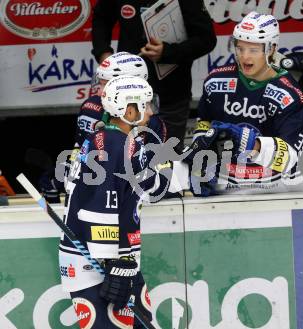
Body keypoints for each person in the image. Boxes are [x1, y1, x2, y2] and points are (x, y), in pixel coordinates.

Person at [59, 75, 185, 328]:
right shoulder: (109, 145)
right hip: (93, 261)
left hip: (120, 259)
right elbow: (99, 204)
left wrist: (176, 174)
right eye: (145, 106)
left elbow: (150, 186)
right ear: (129, 110)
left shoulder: (127, 142)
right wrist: (109, 261)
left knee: (143, 323)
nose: (150, 113)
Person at [190, 11, 303, 195]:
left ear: (271, 49)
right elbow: (204, 122)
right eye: (240, 48)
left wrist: (253, 144)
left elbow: (290, 158)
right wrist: (201, 156)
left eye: (253, 50)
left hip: (274, 187)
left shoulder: (290, 95)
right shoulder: (215, 82)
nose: (244, 57)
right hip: (225, 184)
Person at [39, 52, 167, 204]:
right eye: (99, 83)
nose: (99, 91)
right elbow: (78, 156)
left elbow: (158, 183)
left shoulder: (153, 122)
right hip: (95, 197)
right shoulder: (90, 108)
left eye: (105, 84)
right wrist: (56, 180)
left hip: (138, 202)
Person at [91, 0, 217, 152]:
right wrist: (103, 53)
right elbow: (101, 17)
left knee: (166, 161)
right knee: (120, 157)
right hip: (124, 98)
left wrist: (168, 52)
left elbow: (207, 39)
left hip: (170, 97)